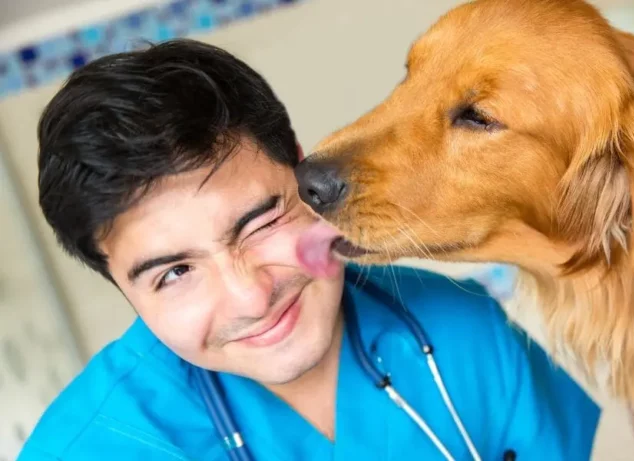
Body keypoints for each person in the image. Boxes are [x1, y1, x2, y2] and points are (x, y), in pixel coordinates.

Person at [18, 39, 600, 461]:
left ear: (299, 164)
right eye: (174, 273)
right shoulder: (87, 449)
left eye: (260, 222)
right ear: (118, 284)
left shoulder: (462, 328)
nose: (252, 295)